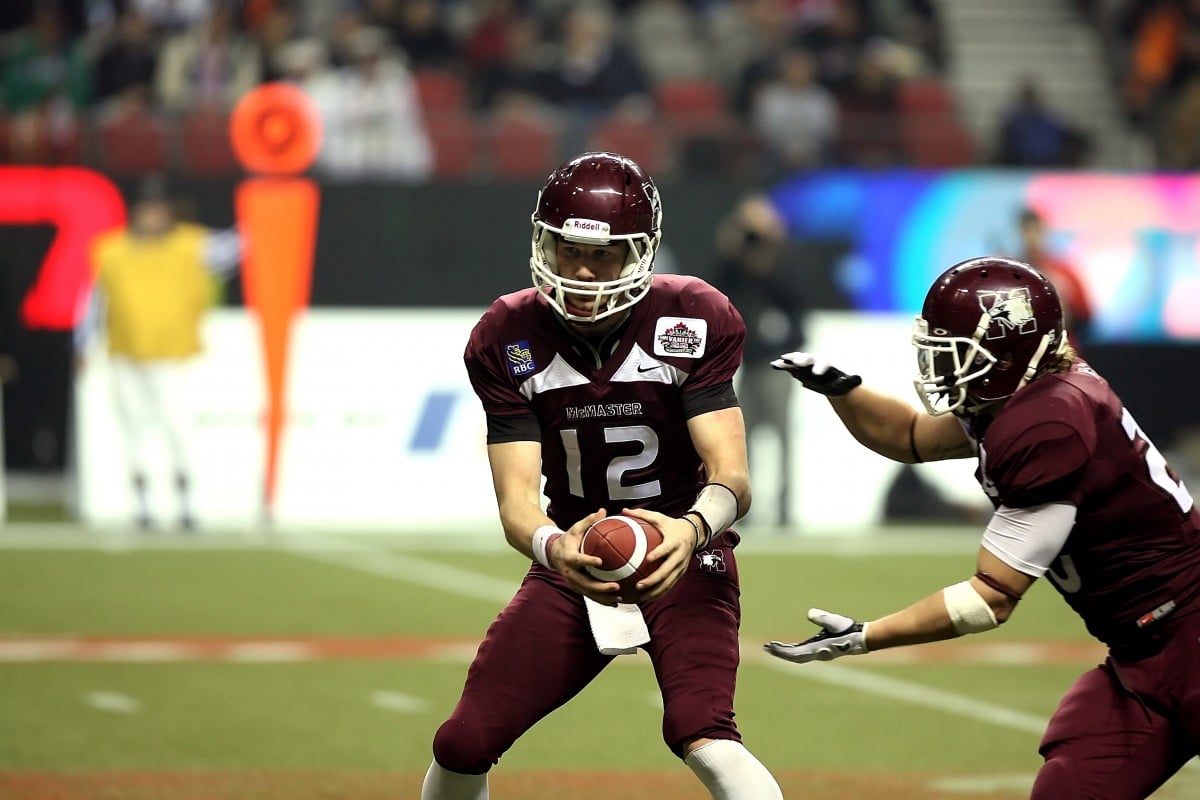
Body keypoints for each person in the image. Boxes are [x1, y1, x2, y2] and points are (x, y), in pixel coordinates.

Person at [765, 256, 1200, 799]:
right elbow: (911, 436)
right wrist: (842, 389)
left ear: (1007, 351)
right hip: (1143, 656)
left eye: (956, 350)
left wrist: (867, 635)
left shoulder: (1048, 420)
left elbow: (989, 599)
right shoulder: (1025, 395)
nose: (940, 365)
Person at [421, 151, 784, 800]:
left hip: (683, 552)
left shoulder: (693, 318)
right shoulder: (506, 335)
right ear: (544, 245)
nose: (583, 270)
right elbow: (515, 501)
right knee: (462, 741)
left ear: (641, 254)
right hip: (575, 558)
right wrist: (555, 546)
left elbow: (734, 476)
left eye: (606, 255)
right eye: (566, 250)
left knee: (704, 733)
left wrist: (692, 530)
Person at [80, 175, 240, 531]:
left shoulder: (190, 244)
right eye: (146, 208)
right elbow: (92, 300)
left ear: (169, 212)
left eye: (158, 208)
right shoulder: (111, 249)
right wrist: (81, 344)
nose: (151, 215)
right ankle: (143, 507)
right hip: (126, 354)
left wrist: (264, 208)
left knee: (178, 428)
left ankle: (185, 506)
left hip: (173, 356)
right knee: (134, 431)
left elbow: (237, 247)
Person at [713, 194, 806, 527]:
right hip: (748, 364)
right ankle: (744, 507)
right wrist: (735, 246)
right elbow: (719, 287)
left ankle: (784, 511)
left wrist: (770, 248)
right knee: (743, 438)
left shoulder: (785, 259)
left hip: (779, 363)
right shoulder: (737, 263)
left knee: (782, 439)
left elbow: (795, 302)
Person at [1016, 208, 1094, 343]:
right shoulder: (1012, 273)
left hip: (1063, 351)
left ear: (1044, 231)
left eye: (1036, 230)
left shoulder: (1063, 273)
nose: (1032, 237)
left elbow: (1085, 316)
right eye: (1027, 230)